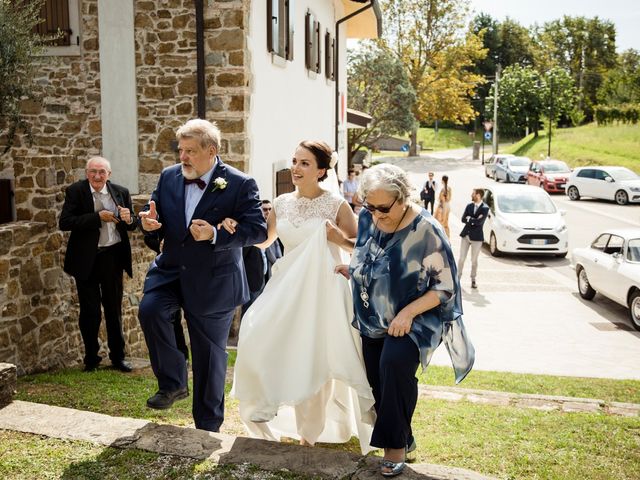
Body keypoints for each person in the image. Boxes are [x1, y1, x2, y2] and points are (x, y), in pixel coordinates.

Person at [230, 140, 375, 454]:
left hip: (323, 290)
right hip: (286, 287)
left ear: (321, 170)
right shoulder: (281, 203)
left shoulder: (337, 205)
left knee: (314, 357)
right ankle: (263, 413)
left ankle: (307, 434)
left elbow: (359, 247)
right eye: (294, 161)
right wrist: (235, 229)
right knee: (256, 336)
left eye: (305, 163)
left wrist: (339, 238)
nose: (295, 168)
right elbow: (265, 240)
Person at [336, 164, 474, 477]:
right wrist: (355, 272)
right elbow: (365, 253)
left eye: (383, 208)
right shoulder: (371, 218)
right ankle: (405, 435)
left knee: (394, 366)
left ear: (402, 200)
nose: (375, 214)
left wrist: (408, 312)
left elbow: (445, 286)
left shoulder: (426, 230)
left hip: (418, 318)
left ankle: (395, 447)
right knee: (377, 380)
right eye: (369, 206)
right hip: (374, 316)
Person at [137, 118, 267, 432]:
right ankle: (173, 382)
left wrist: (214, 235)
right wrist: (149, 226)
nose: (183, 157)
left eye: (191, 151)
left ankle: (208, 427)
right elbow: (159, 220)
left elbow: (257, 230)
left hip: (215, 280)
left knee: (208, 356)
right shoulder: (169, 176)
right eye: (181, 150)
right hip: (170, 272)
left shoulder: (239, 183)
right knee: (150, 310)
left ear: (212, 151)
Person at [59, 156, 138, 373]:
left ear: (109, 175)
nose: (97, 176)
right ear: (87, 173)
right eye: (93, 171)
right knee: (90, 311)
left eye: (101, 172)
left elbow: (132, 225)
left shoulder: (120, 192)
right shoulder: (76, 191)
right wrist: (97, 217)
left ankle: (118, 357)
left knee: (114, 310)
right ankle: (91, 358)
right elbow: (65, 222)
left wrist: (129, 218)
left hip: (112, 258)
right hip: (86, 259)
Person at [142, 234, 190, 363]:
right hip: (168, 273)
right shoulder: (164, 215)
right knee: (173, 319)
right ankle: (181, 357)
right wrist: (161, 244)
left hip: (196, 271)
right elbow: (149, 237)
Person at [458, 188, 489, 289]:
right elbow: (463, 219)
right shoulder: (469, 206)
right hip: (466, 235)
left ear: (478, 195)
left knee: (474, 260)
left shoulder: (485, 208)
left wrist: (470, 219)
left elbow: (480, 222)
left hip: (477, 238)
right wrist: (474, 219)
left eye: (473, 194)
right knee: (461, 258)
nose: (472, 195)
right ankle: (457, 278)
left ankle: (473, 279)